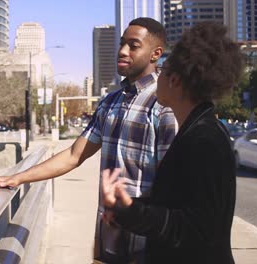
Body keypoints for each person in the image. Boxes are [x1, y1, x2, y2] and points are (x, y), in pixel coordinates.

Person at [0, 17, 178, 263]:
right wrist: (18, 178)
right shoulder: (111, 103)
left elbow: (173, 184)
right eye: (122, 44)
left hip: (148, 243)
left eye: (133, 45)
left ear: (156, 54)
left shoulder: (165, 104)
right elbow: (74, 155)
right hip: (108, 233)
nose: (122, 51)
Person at [100, 22, 243, 264]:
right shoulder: (195, 132)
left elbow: (196, 228)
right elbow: (175, 205)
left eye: (163, 70)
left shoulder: (204, 141)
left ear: (175, 81)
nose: (158, 76)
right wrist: (124, 210)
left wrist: (133, 213)